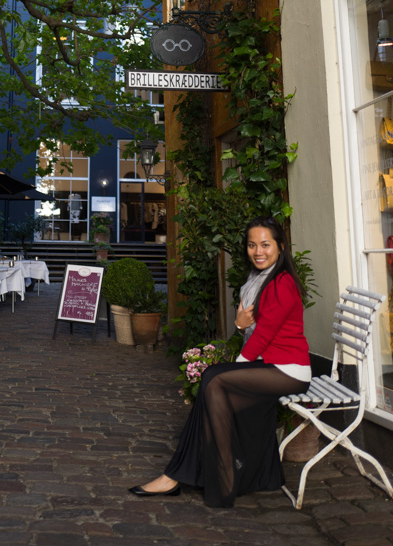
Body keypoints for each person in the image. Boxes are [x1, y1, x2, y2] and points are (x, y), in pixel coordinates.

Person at [129, 216, 311, 508]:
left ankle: (205, 480)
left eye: (265, 244)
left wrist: (235, 366)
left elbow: (263, 335)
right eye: (252, 245)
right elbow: (251, 328)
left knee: (214, 380)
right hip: (269, 366)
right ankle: (188, 476)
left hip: (288, 370)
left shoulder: (281, 283)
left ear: (281, 247)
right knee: (212, 397)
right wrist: (239, 327)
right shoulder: (258, 280)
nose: (258, 251)